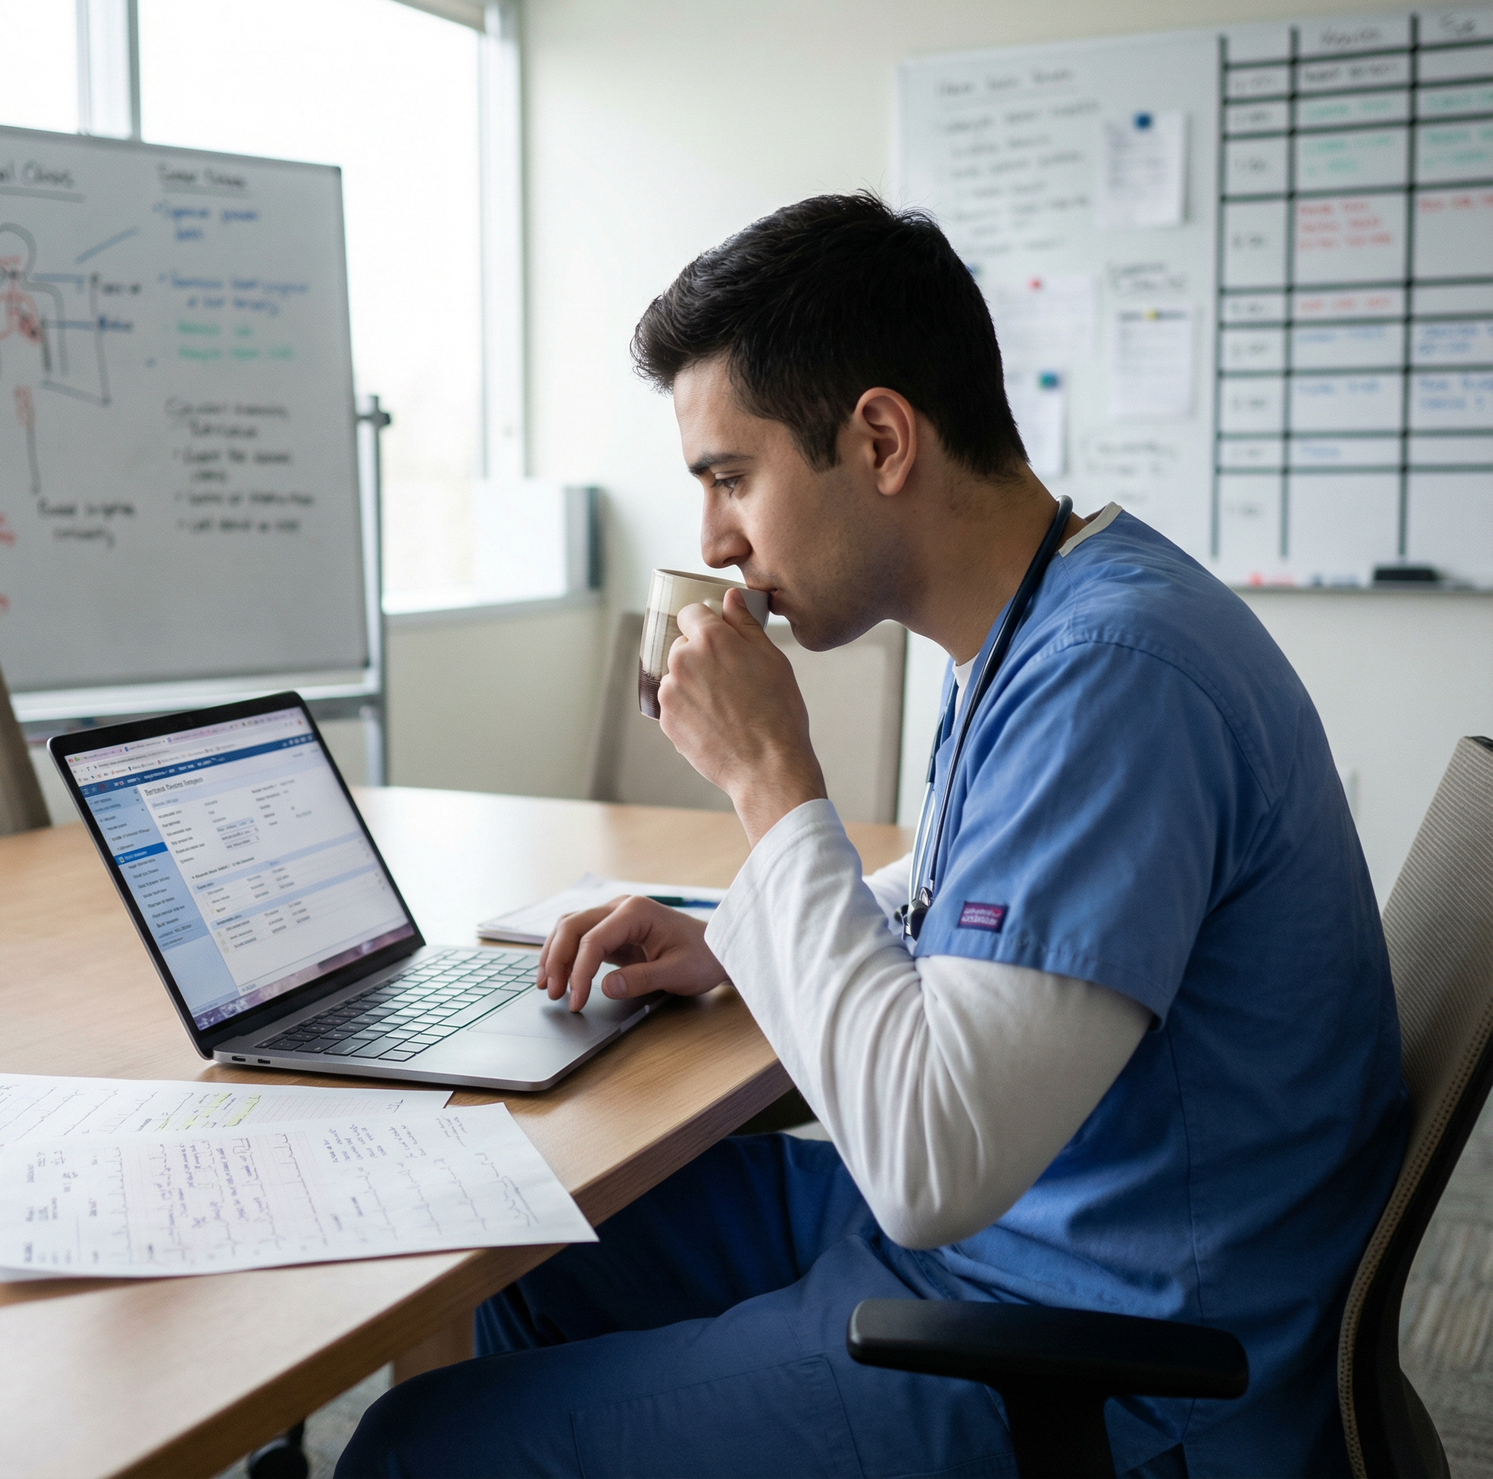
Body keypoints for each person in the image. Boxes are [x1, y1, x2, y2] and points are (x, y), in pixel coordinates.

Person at [339, 193, 1407, 1478]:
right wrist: (732, 939)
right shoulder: (1046, 616)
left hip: (1105, 1352)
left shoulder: (1114, 676)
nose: (712, 540)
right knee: (537, 1238)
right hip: (1036, 1232)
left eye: (731, 478)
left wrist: (770, 782)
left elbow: (924, 1164)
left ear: (882, 439)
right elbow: (971, 894)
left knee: (411, 1447)